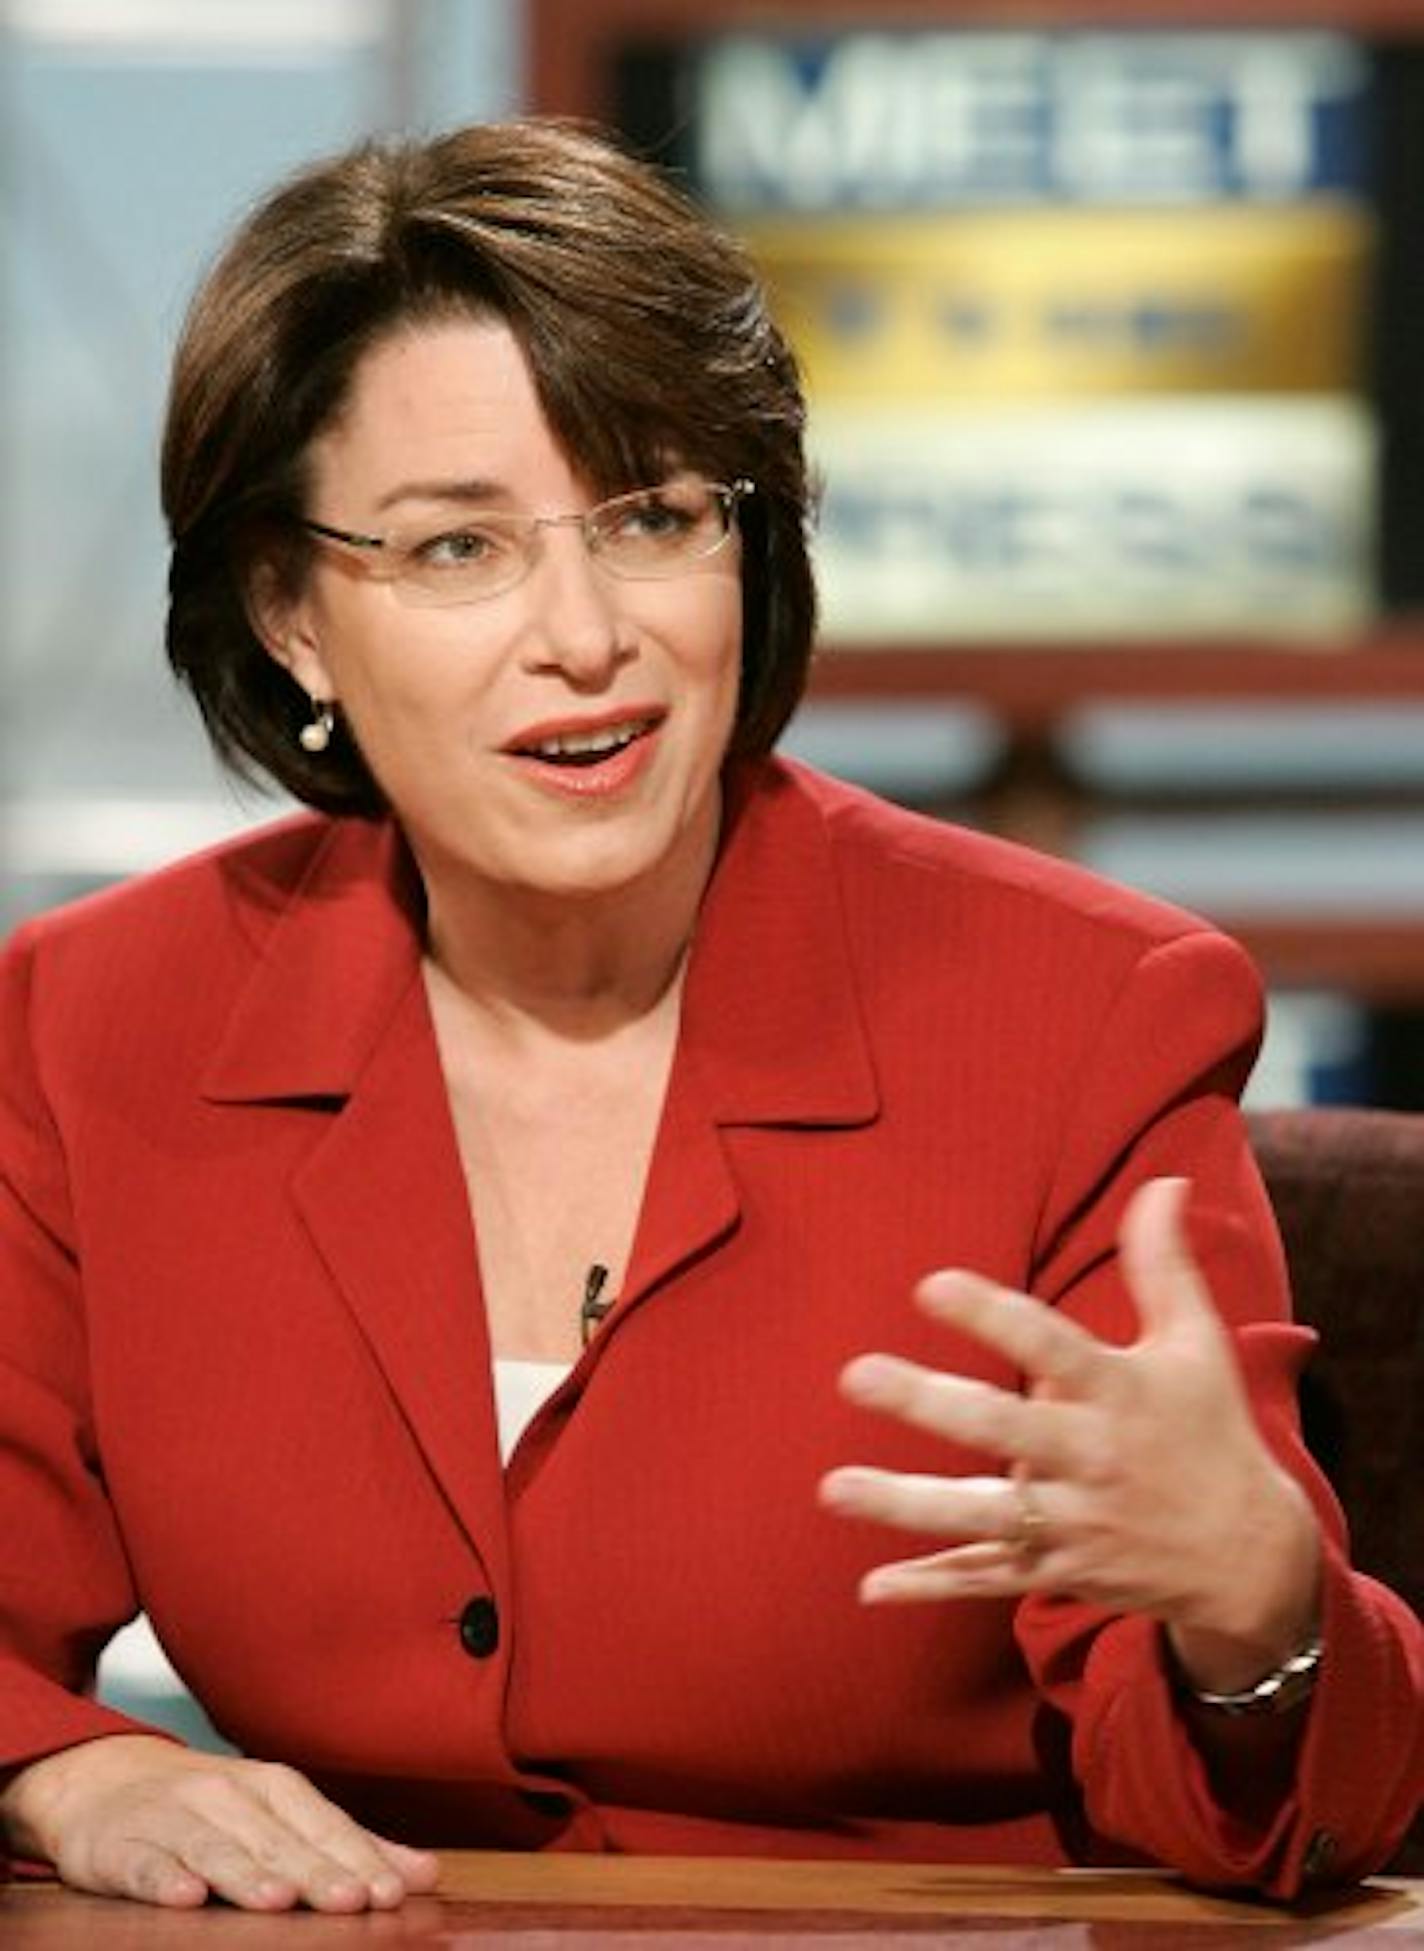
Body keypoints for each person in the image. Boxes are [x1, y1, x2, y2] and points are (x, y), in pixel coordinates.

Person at [0, 117, 1419, 1917]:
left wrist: (1253, 1615)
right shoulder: (92, 1025)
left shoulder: (1081, 1021)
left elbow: (1279, 1814)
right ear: (290, 616)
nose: (584, 635)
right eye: (457, 552)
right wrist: (66, 1758)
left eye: (655, 517)